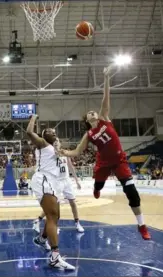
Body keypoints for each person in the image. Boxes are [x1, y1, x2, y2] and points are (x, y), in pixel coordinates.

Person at [60, 66, 151, 240]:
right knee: (98, 187)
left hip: (120, 162)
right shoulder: (89, 134)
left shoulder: (105, 120)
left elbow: (105, 99)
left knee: (132, 193)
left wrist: (107, 78)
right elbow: (77, 152)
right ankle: (96, 188)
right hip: (103, 164)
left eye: (94, 111)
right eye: (89, 113)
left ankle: (142, 225)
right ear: (87, 120)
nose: (93, 112)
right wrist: (63, 151)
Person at [26, 115, 75, 270]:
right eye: (49, 131)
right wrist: (33, 118)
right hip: (43, 179)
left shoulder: (55, 149)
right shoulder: (42, 143)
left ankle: (42, 238)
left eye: (54, 132)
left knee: (55, 216)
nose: (53, 133)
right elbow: (28, 132)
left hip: (52, 182)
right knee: (52, 216)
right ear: (43, 135)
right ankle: (54, 257)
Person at [33, 137, 84, 234]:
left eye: (58, 141)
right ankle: (41, 221)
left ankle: (77, 223)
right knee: (54, 206)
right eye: (54, 141)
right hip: (56, 181)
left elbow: (71, 167)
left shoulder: (65, 153)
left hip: (66, 180)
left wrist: (76, 180)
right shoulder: (50, 154)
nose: (56, 142)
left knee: (73, 202)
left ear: (60, 143)